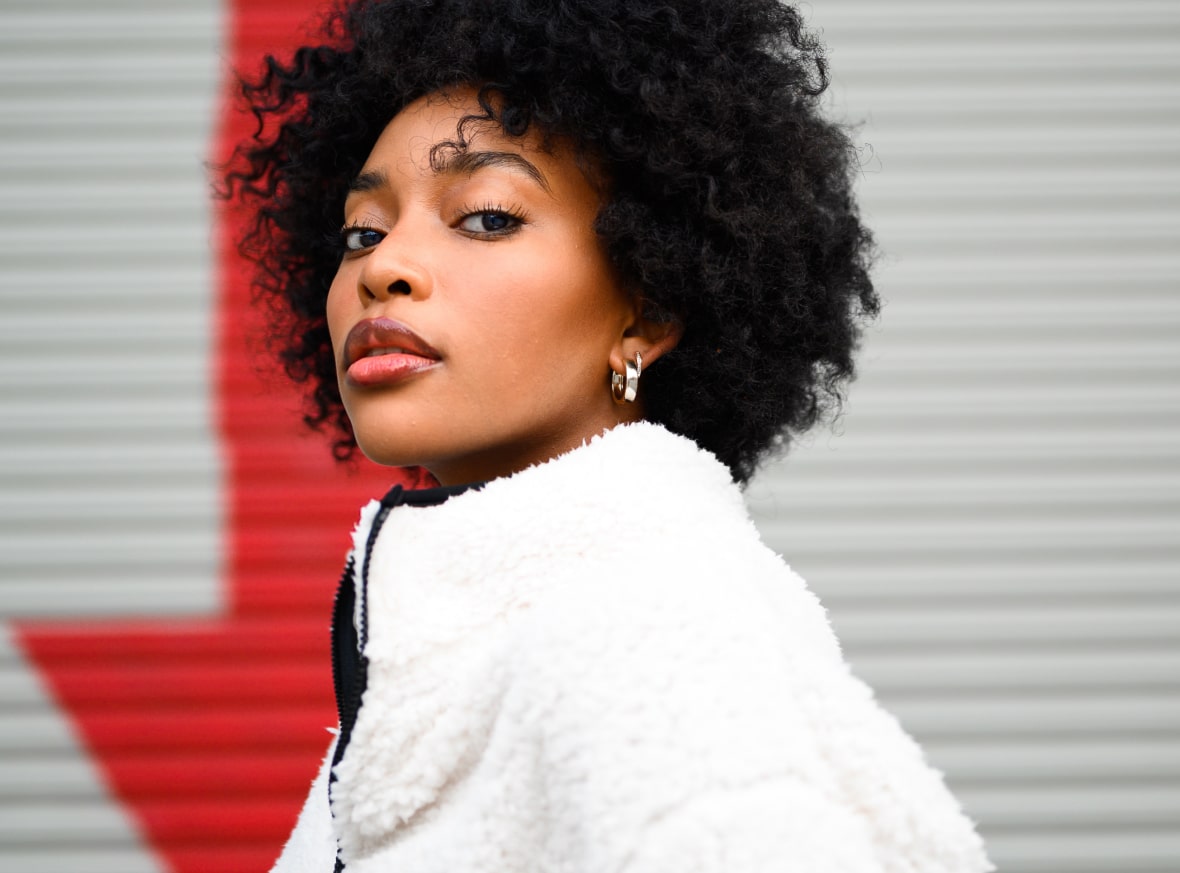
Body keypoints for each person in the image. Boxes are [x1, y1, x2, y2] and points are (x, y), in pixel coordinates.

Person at [225, 0, 993, 870]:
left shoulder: (663, 638)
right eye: (361, 232)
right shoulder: (446, 670)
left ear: (648, 308)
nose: (383, 268)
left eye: (486, 215)